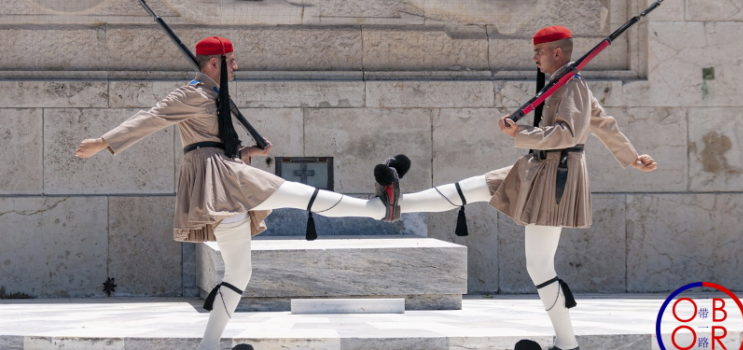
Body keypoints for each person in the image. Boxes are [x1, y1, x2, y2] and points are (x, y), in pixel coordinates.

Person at [74, 36, 405, 350]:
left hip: (220, 177)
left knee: (239, 273)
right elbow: (152, 118)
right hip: (219, 176)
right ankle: (378, 208)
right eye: (230, 61)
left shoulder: (213, 96)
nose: (236, 67)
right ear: (213, 64)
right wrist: (103, 142)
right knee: (298, 194)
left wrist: (248, 152)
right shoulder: (191, 93)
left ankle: (208, 345)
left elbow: (212, 141)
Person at [374, 25, 657, 350]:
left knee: (539, 265)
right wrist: (632, 157)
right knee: (474, 187)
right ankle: (398, 203)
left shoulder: (572, 86)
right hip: (537, 168)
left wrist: (520, 133)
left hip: (555, 179)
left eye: (539, 51)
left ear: (557, 53)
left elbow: (567, 134)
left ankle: (568, 345)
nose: (534, 57)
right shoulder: (563, 83)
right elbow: (604, 123)